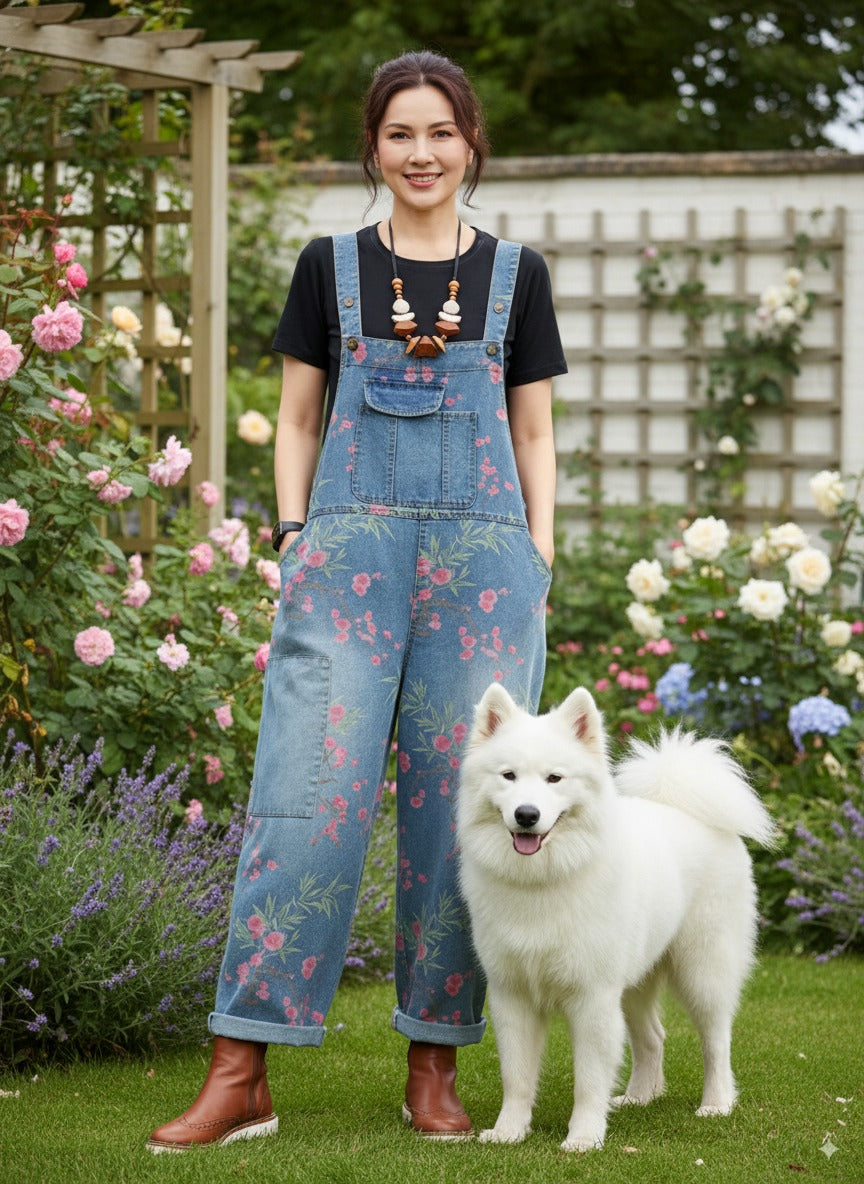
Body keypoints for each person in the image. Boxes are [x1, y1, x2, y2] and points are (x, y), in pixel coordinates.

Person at [147, 49, 566, 1153]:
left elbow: (533, 431)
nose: (420, 153)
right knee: (305, 795)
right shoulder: (329, 266)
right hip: (346, 563)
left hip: (484, 568)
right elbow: (295, 419)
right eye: (399, 134)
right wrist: (296, 536)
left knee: (457, 811)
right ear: (373, 146)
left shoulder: (517, 275)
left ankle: (434, 1061)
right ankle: (242, 1066)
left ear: (471, 143)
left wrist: (539, 554)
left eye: (441, 133)